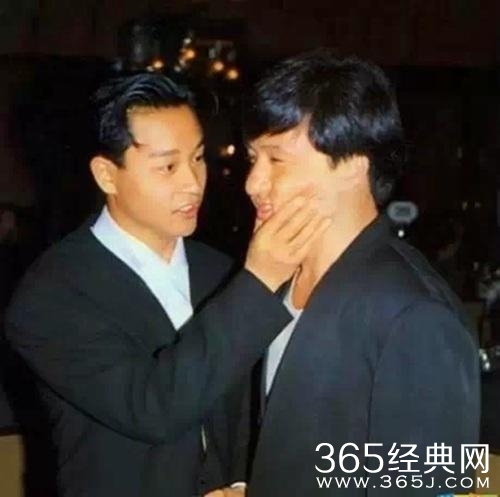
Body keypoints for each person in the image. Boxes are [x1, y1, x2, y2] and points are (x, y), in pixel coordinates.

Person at [5, 73, 330, 497]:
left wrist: (243, 483)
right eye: (168, 167)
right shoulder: (51, 295)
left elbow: (244, 410)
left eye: (198, 158)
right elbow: (152, 409)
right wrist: (261, 279)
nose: (193, 183)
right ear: (107, 175)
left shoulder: (219, 270)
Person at [208, 50, 480, 497]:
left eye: (276, 160)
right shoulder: (277, 277)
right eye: (253, 158)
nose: (253, 183)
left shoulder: (413, 313)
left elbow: (429, 484)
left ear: (353, 164)